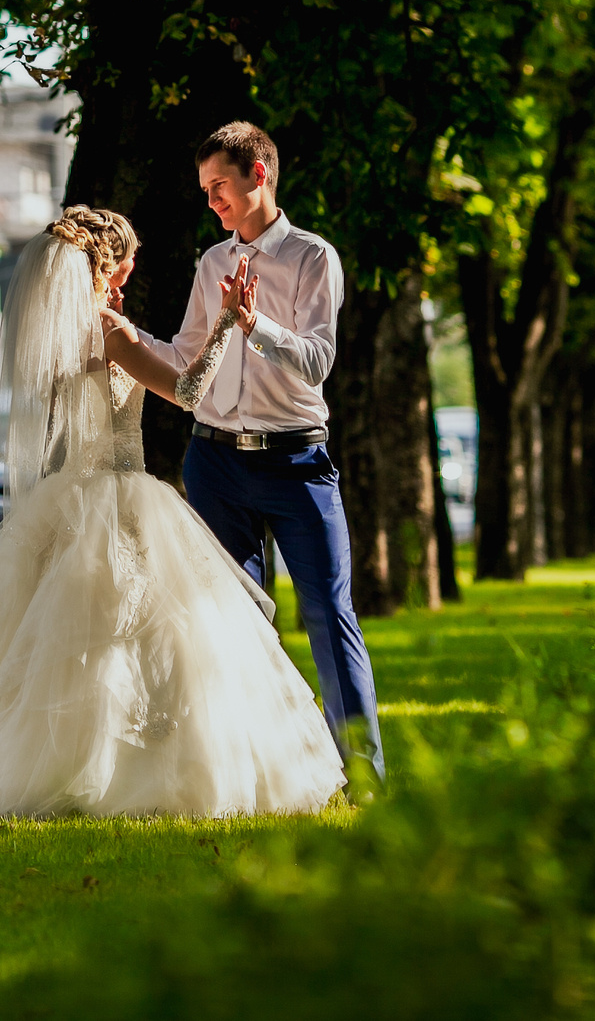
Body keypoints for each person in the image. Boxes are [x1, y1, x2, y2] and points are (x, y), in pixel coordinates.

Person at [0, 207, 346, 820]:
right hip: (120, 493)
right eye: (124, 268)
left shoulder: (56, 334)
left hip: (65, 495)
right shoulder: (110, 330)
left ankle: (27, 767)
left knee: (49, 640)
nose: (125, 281)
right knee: (145, 635)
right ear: (103, 265)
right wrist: (229, 323)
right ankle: (130, 775)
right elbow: (190, 392)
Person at [108, 121, 384, 781]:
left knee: (328, 613)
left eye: (219, 186)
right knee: (229, 620)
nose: (212, 201)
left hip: (297, 464)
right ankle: (258, 771)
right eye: (205, 190)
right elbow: (184, 363)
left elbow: (317, 360)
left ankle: (364, 773)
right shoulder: (212, 265)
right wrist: (123, 332)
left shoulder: (315, 258)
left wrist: (253, 325)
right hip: (216, 464)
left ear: (258, 174)